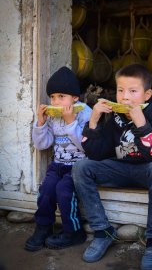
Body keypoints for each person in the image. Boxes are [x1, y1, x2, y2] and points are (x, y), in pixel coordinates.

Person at [72, 64, 152, 270]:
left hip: (147, 171)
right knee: (81, 168)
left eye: (133, 91)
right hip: (119, 169)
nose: (125, 97)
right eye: (120, 90)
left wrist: (142, 124)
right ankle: (103, 231)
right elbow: (96, 153)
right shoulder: (115, 118)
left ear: (147, 95)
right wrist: (94, 120)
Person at [25, 66, 92, 251]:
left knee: (64, 191)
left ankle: (74, 232)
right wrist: (41, 122)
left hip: (78, 167)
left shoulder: (85, 114)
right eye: (52, 97)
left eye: (61, 96)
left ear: (75, 98)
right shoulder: (53, 117)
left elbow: (86, 146)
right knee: (46, 190)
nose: (55, 101)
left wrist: (70, 121)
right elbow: (42, 144)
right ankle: (43, 227)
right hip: (58, 164)